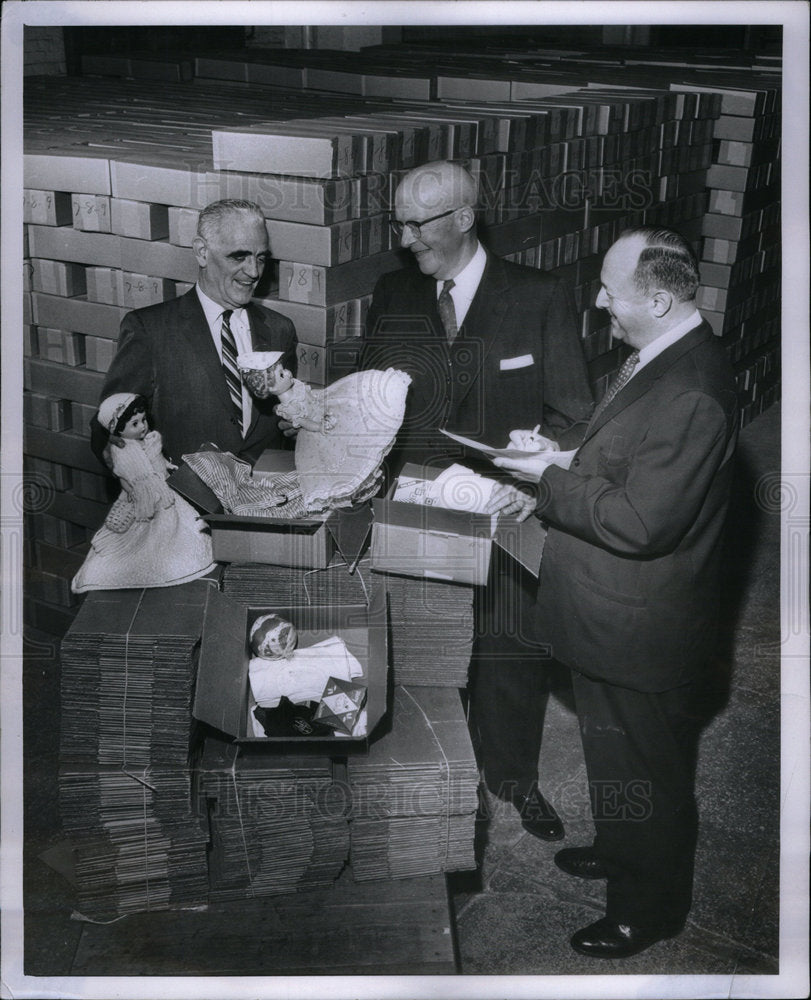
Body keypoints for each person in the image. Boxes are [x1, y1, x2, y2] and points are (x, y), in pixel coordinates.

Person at [494, 227, 738, 958]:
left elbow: (638, 521)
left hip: (639, 626)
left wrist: (546, 482)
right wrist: (561, 451)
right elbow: (622, 451)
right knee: (613, 755)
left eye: (610, 289)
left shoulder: (693, 392)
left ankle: (647, 907)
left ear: (659, 299)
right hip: (610, 619)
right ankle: (619, 847)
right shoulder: (667, 354)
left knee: (645, 771)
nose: (597, 301)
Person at [360, 160, 594, 840]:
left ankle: (512, 778)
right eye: (396, 222)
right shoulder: (393, 292)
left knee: (509, 653)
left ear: (462, 219)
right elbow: (368, 397)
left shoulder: (537, 295)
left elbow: (575, 416)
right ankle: (435, 782)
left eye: (416, 223)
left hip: (503, 513)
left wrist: (534, 469)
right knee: (424, 656)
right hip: (417, 508)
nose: (404, 239)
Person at [93, 199, 297, 467]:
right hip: (187, 503)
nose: (254, 272)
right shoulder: (150, 330)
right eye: (239, 256)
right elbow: (108, 424)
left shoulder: (280, 330)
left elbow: (288, 418)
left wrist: (298, 429)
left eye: (260, 258)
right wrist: (113, 448)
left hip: (265, 501)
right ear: (202, 251)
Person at [72, 392, 216, 593]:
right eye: (135, 424)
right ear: (117, 430)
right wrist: (132, 489)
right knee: (144, 537)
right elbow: (124, 476)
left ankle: (179, 558)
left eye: (143, 420)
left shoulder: (151, 441)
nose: (143, 426)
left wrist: (167, 467)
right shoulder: (123, 451)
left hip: (165, 491)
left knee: (184, 527)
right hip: (144, 499)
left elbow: (158, 463)